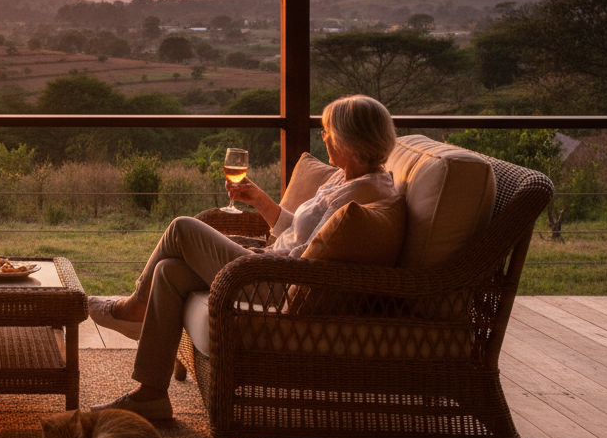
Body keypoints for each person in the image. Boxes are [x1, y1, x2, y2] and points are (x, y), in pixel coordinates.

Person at [88, 94, 398, 420]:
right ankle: (150, 395)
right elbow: (305, 235)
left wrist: (255, 255)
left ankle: (135, 305)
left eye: (328, 131)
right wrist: (260, 200)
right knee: (169, 271)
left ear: (350, 140)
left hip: (276, 284)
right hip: (273, 266)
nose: (323, 138)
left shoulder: (365, 192)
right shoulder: (345, 177)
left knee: (182, 228)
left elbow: (308, 259)